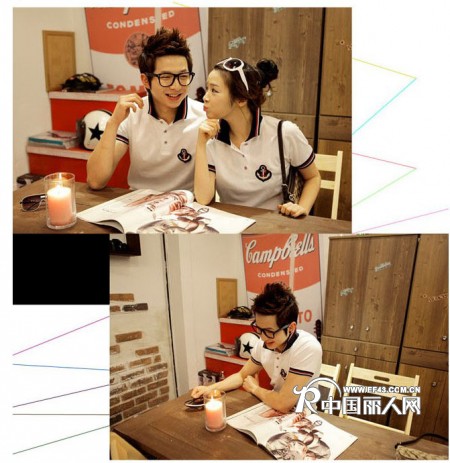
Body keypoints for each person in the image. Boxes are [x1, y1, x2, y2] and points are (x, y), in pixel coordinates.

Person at [194, 57, 321, 218]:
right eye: (207, 88)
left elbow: (313, 177)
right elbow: (203, 199)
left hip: (276, 225)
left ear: (241, 99)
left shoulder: (284, 133)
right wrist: (200, 144)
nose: (205, 97)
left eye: (214, 90)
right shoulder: (212, 139)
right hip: (231, 225)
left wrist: (301, 209)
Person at [86, 27, 204, 191]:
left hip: (185, 204)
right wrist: (113, 123)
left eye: (183, 76)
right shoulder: (133, 113)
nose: (176, 86)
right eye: (166, 77)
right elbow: (96, 180)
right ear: (146, 80)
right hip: (137, 202)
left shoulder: (204, 116)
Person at [191, 282, 322, 413]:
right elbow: (241, 376)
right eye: (259, 329)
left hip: (304, 414)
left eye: (269, 331)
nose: (263, 337)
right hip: (274, 409)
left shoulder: (307, 348)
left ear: (291, 328)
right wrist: (210, 389)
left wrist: (255, 389)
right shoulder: (264, 343)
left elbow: (283, 403)